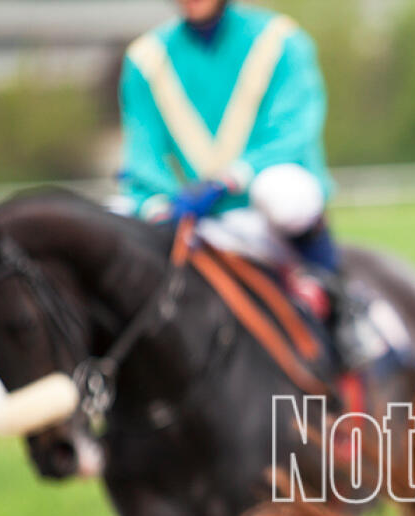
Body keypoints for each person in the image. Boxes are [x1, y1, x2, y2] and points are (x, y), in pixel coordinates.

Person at [117, 0, 371, 365]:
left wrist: (229, 180)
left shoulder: (280, 40)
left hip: (262, 211)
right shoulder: (146, 57)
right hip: (193, 217)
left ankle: (340, 306)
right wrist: (163, 204)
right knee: (107, 216)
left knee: (281, 193)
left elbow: (293, 132)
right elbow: (142, 153)